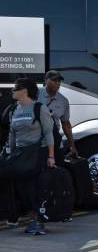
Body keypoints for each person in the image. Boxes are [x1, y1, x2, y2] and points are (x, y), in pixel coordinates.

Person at [8, 78, 55, 235]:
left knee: (34, 188)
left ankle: (38, 221)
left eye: (15, 88)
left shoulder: (39, 108)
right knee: (21, 188)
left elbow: (49, 133)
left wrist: (51, 156)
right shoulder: (14, 109)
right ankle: (32, 219)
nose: (12, 90)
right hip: (20, 155)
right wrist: (11, 153)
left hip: (37, 154)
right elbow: (12, 135)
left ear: (25, 90)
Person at [37, 70, 78, 165]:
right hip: (37, 142)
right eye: (54, 80)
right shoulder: (36, 94)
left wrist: (72, 146)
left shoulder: (63, 101)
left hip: (55, 142)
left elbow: (66, 124)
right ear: (46, 80)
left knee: (56, 169)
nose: (57, 83)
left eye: (59, 81)